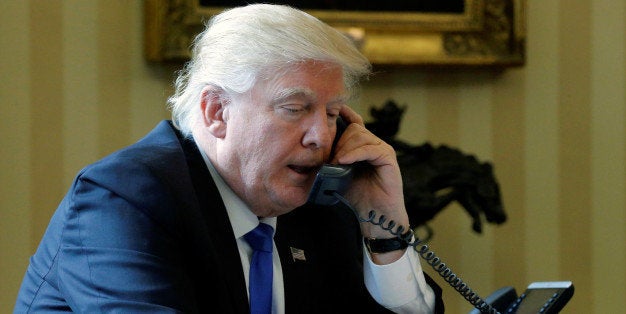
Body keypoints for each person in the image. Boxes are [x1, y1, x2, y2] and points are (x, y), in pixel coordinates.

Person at [14, 4, 444, 313]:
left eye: (333, 114)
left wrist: (383, 229)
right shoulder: (126, 198)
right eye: (295, 109)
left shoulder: (320, 207)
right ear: (216, 111)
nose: (321, 137)